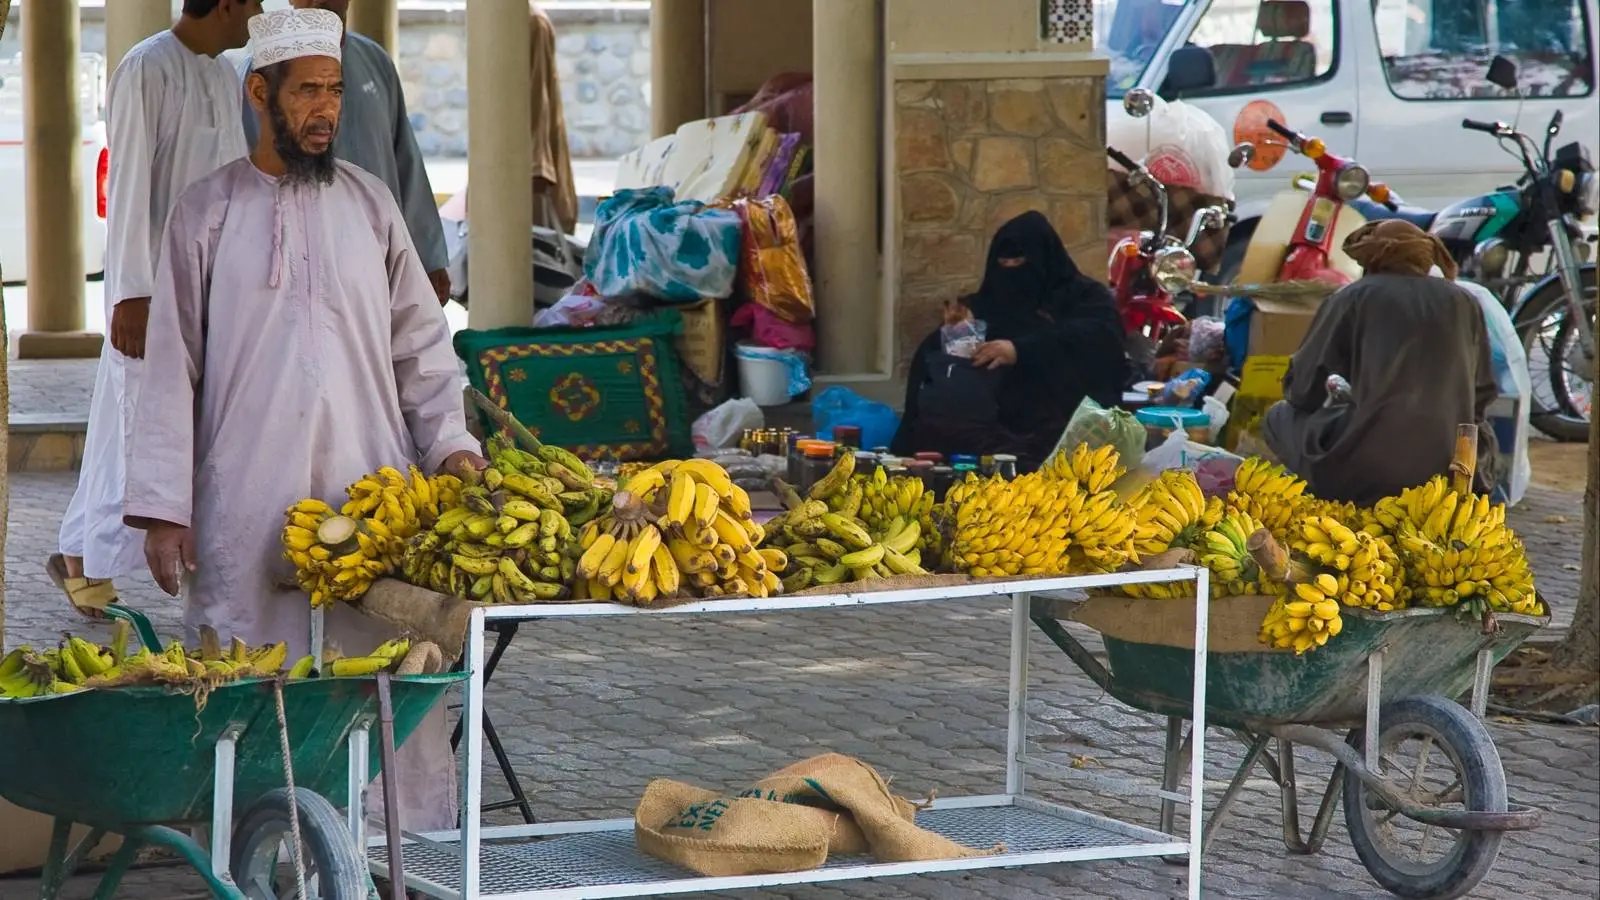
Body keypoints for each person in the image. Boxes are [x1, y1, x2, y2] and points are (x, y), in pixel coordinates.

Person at [122, 7, 485, 831]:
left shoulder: (371, 205)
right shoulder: (205, 213)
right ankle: (258, 853)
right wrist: (164, 509)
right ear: (260, 93)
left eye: (335, 91)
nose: (326, 110)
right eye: (308, 92)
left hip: (373, 492)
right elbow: (171, 370)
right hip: (245, 493)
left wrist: (451, 445)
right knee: (251, 679)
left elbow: (422, 347)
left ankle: (395, 851)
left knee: (384, 676)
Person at [47, 0, 260, 619]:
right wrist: (132, 293)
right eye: (252, 2)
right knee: (141, 426)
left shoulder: (224, 72)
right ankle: (86, 557)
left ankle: (78, 553)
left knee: (132, 425)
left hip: (209, 283)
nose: (258, 13)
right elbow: (129, 183)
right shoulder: (148, 67)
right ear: (227, 4)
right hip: (152, 291)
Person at [1262, 219, 1502, 505]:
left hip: (1364, 472)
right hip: (1447, 471)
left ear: (1371, 259)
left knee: (1278, 416)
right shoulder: (1465, 301)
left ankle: (1328, 490)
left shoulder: (1352, 296)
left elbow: (1303, 390)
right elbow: (1482, 394)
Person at [239, 0, 451, 305]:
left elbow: (405, 159)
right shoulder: (265, 70)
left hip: (378, 258)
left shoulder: (374, 60)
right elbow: (251, 169)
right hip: (296, 265)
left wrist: (429, 257)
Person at [891, 211, 1128, 469]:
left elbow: (1097, 340)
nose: (1012, 269)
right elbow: (941, 362)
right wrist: (960, 333)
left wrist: (1020, 351)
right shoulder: (984, 304)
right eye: (1004, 262)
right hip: (989, 427)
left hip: (1062, 426)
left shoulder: (1084, 298)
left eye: (1020, 261)